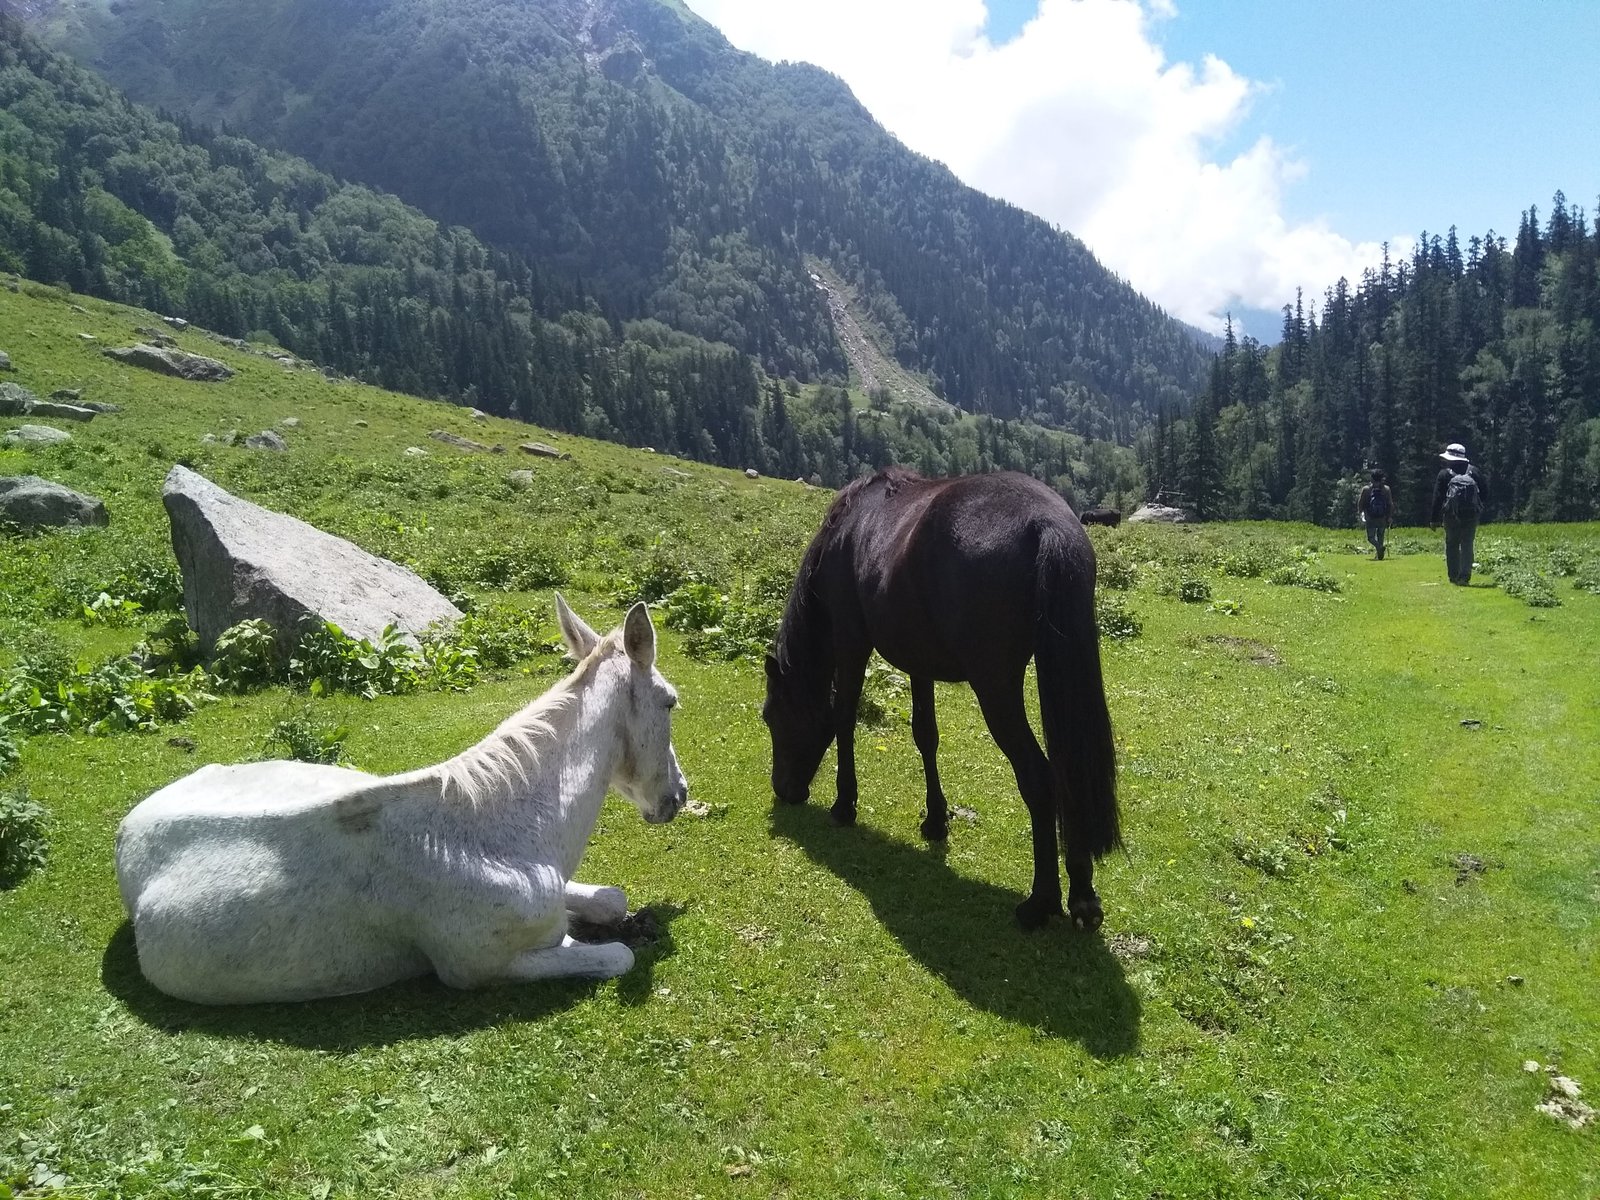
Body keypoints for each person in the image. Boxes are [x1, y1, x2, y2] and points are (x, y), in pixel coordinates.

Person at [1429, 442, 1488, 585]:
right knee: (1467, 544)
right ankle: (1465, 576)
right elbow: (1485, 492)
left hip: (1451, 515)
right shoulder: (1474, 471)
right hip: (1471, 515)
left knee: (1452, 544)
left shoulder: (1444, 474)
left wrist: (1434, 519)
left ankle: (1453, 576)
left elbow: (1437, 497)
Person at [1356, 469, 1394, 559]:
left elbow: (1360, 503)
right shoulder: (1386, 489)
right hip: (1382, 517)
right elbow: (1390, 504)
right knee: (1381, 536)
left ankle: (1379, 549)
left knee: (1371, 538)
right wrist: (1389, 516)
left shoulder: (1366, 489)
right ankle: (1379, 552)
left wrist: (1361, 513)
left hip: (1370, 517)